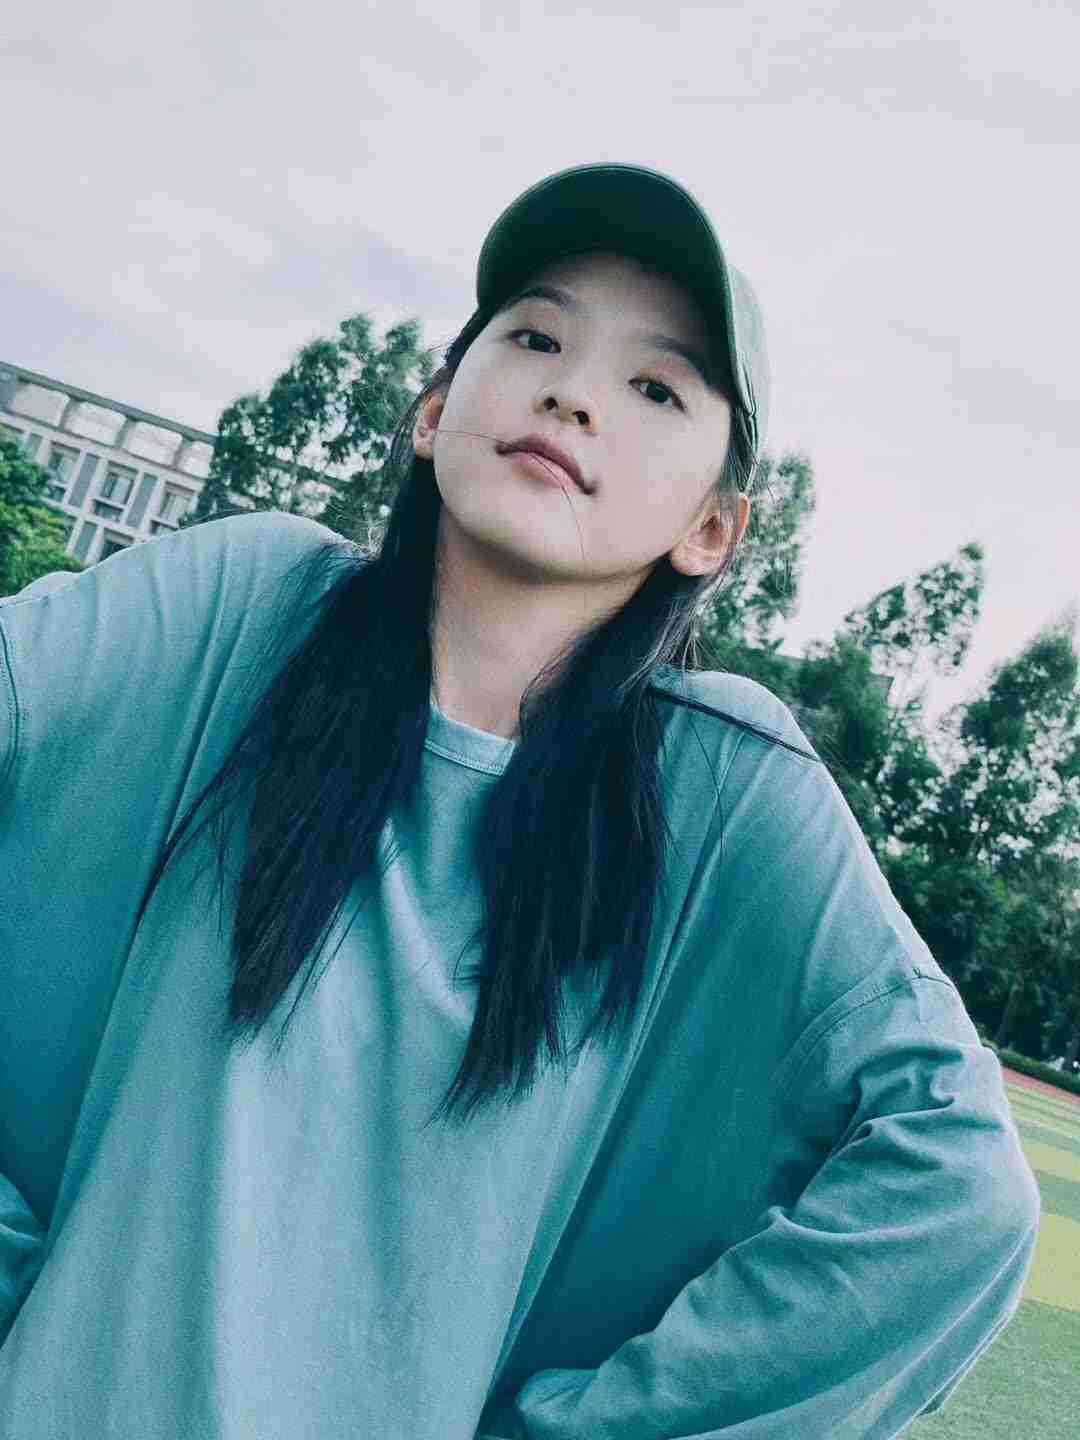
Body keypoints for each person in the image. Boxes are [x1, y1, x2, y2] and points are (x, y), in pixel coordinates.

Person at [0, 163, 1040, 1438]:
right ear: (435, 409)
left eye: (656, 388)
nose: (573, 392)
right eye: (538, 338)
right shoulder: (243, 610)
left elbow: (958, 1193)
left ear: (713, 529)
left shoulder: (720, 789)